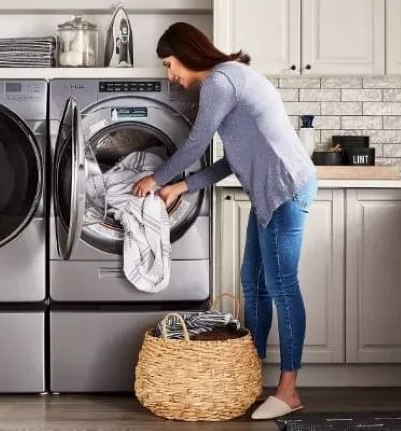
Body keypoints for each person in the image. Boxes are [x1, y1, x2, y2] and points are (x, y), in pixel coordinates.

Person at [131, 22, 318, 420]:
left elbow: (196, 145)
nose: (170, 75)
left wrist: (156, 178)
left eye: (169, 64)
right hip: (269, 190)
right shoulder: (232, 78)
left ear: (187, 53)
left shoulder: (219, 82)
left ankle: (288, 389)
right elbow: (232, 159)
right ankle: (248, 373)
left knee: (281, 286)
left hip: (284, 188)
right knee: (253, 281)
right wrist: (183, 187)